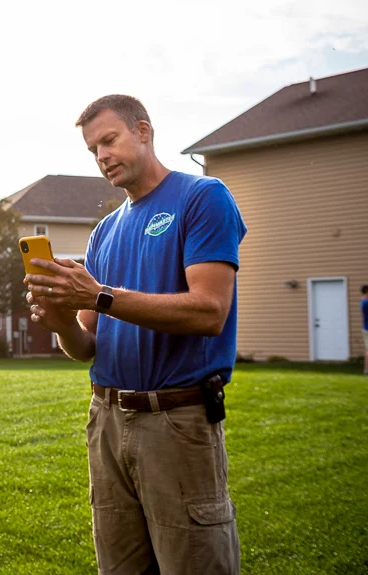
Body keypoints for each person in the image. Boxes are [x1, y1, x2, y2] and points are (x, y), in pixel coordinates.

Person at [24, 94, 246, 574]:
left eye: (109, 140)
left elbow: (210, 310)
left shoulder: (202, 197)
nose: (102, 156)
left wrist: (98, 294)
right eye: (92, 150)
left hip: (176, 421)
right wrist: (61, 316)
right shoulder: (104, 231)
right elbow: (86, 346)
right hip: (106, 421)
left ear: (143, 132)